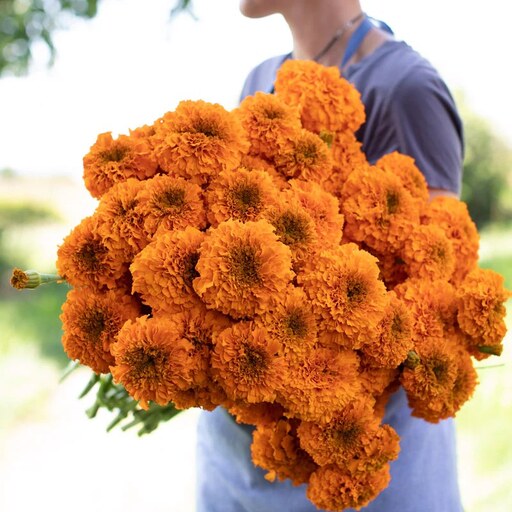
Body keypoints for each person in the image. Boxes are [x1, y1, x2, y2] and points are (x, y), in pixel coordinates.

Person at [196, 1, 464, 511]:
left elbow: (436, 288)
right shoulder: (259, 80)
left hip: (359, 450)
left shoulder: (403, 87)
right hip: (239, 441)